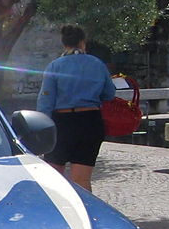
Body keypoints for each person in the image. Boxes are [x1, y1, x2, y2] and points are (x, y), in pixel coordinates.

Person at [36, 24, 116, 193]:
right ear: (82, 43)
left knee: (53, 177)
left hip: (63, 122)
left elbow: (46, 102)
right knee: (81, 180)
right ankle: (84, 214)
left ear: (64, 43)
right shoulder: (97, 64)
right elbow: (109, 94)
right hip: (90, 121)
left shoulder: (55, 66)